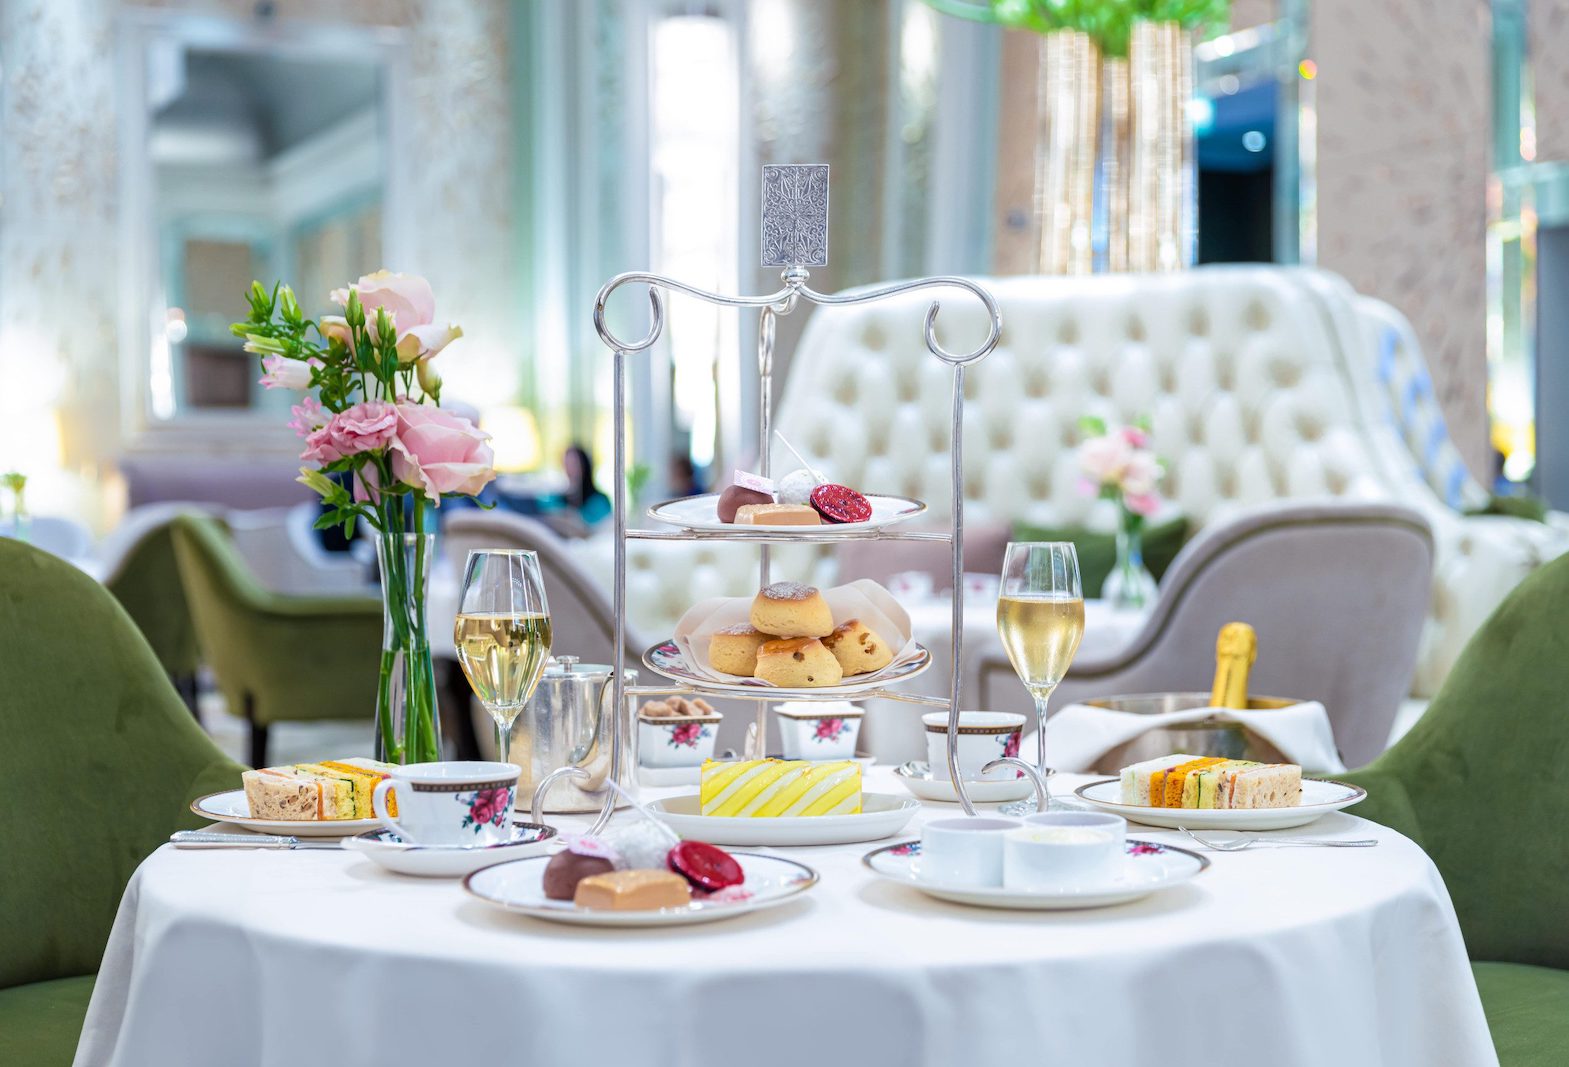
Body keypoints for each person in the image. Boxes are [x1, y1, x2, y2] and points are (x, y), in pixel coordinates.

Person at [563, 444, 612, 526]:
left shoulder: (599, 500)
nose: (569, 469)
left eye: (573, 464)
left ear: (584, 465)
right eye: (566, 464)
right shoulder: (562, 500)